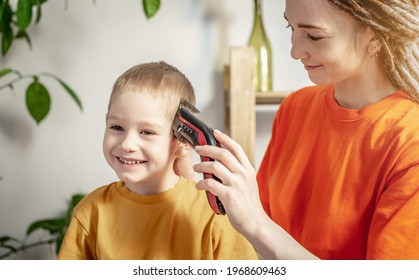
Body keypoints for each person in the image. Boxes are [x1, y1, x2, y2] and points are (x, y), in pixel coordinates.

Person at [192, 0, 419, 260]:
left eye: (314, 35)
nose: (295, 51)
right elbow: (252, 244)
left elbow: (260, 227)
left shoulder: (410, 143)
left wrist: (258, 225)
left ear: (376, 36)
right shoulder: (295, 108)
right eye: (291, 27)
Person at [57, 61, 258, 260]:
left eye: (147, 132)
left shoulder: (214, 215)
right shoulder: (90, 212)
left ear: (183, 141)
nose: (127, 144)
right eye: (117, 127)